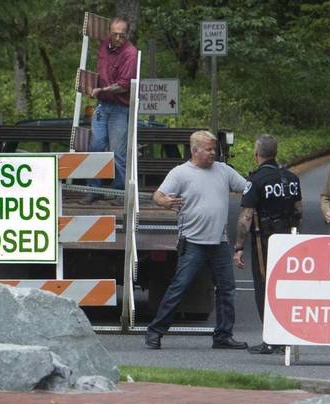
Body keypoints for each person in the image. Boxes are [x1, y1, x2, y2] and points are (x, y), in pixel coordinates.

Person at [145, 130, 249, 350]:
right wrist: (165, 202)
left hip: (219, 242)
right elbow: (158, 195)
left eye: (214, 149)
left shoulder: (223, 170)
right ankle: (155, 331)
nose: (213, 153)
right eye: (208, 149)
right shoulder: (180, 173)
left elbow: (247, 188)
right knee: (180, 287)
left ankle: (223, 336)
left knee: (227, 289)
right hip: (192, 241)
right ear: (195, 151)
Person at [233, 134, 302, 354]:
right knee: (286, 289)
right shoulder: (292, 178)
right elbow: (298, 210)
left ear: (256, 155)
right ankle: (286, 337)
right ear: (276, 153)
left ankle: (271, 339)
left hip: (265, 242)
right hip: (289, 241)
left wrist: (239, 247)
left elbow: (246, 217)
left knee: (264, 288)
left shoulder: (256, 181)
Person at [85, 16, 137, 201]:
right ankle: (94, 191)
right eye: (114, 34)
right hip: (102, 105)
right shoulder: (103, 45)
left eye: (121, 35)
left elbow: (123, 85)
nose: (117, 38)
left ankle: (120, 193)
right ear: (109, 32)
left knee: (118, 153)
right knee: (95, 147)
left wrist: (102, 89)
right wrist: (90, 85)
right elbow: (98, 71)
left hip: (120, 108)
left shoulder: (130, 53)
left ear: (127, 34)